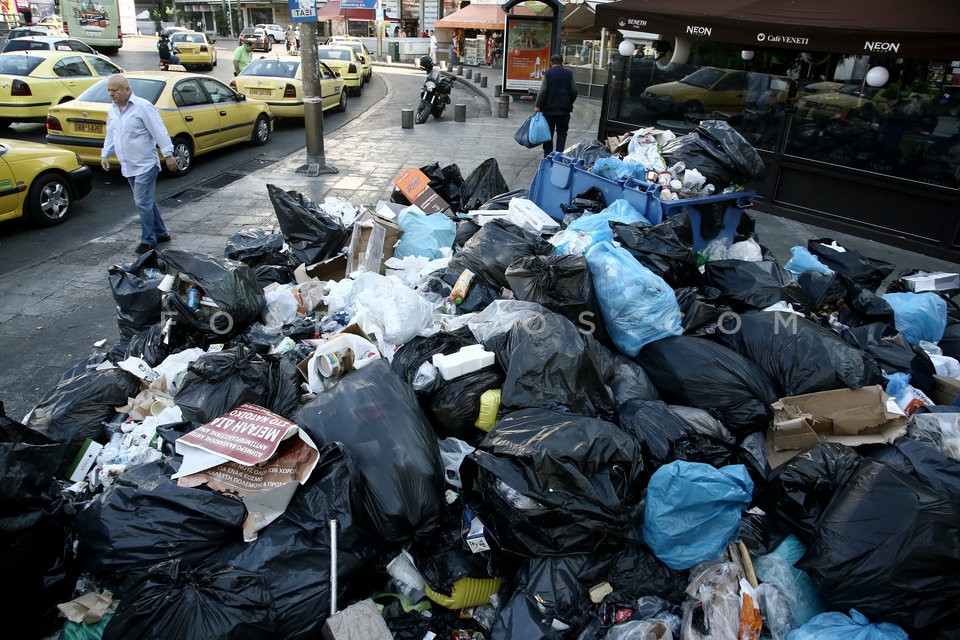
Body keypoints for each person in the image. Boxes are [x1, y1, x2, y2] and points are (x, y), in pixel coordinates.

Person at [100, 74, 178, 254]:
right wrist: (105, 154)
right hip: (128, 165)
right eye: (109, 90)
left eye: (115, 90)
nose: (112, 94)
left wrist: (168, 154)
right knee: (147, 202)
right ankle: (162, 233)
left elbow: (159, 130)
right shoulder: (112, 110)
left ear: (127, 89)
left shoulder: (143, 107)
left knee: (142, 202)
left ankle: (148, 239)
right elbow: (111, 134)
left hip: (146, 164)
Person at [534, 54, 578, 157]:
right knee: (562, 132)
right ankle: (559, 154)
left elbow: (543, 90)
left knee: (548, 133)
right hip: (564, 110)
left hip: (549, 110)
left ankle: (548, 155)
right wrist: (569, 101)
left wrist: (538, 105)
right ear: (562, 62)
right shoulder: (569, 74)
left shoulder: (548, 74)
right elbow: (575, 90)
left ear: (551, 62)